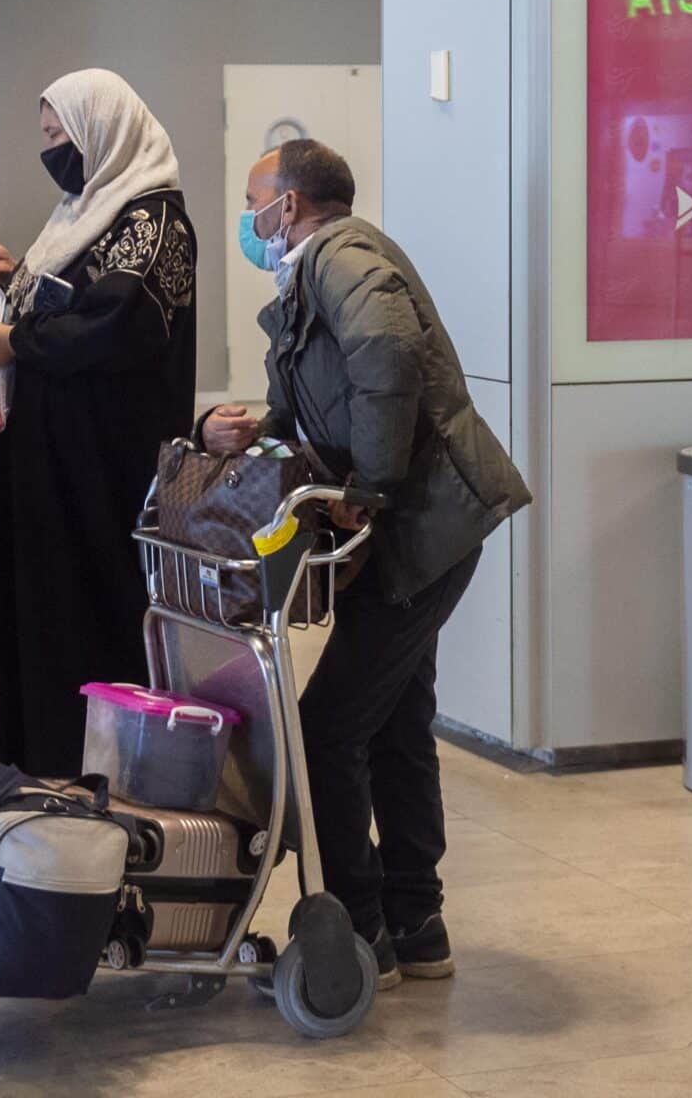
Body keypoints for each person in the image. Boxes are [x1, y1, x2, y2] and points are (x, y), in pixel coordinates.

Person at [202, 139, 529, 987]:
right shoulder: (316, 273)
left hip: (421, 529)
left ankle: (364, 930)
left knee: (327, 727)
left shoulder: (345, 257)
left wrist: (371, 488)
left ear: (294, 202)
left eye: (255, 201)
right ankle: (418, 924)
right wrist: (254, 432)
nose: (250, 220)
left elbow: (385, 360)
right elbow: (317, 396)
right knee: (393, 722)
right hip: (408, 534)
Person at [0, 68, 198, 776]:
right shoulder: (83, 213)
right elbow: (69, 300)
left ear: (103, 133)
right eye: (47, 136)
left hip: (98, 473)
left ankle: (86, 769)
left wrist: (19, 343)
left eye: (61, 134)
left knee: (87, 617)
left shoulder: (153, 221)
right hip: (46, 466)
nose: (53, 149)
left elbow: (116, 329)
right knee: (38, 616)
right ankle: (35, 758)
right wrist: (12, 282)